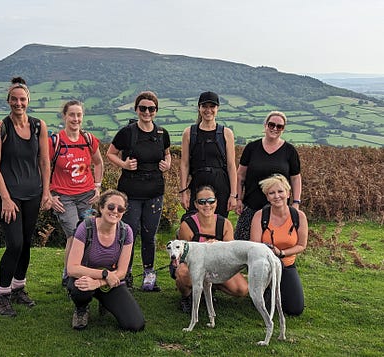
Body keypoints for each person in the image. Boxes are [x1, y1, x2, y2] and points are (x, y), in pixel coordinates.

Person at [0, 77, 51, 317]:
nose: (18, 103)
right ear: (8, 101)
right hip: (10, 197)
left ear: (28, 101)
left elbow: (44, 161)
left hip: (33, 194)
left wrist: (46, 191)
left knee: (25, 244)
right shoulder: (0, 127)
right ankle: (2, 295)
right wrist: (5, 198)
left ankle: (18, 288)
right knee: (14, 244)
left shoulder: (38, 126)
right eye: (14, 99)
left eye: (22, 99)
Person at [106, 91, 171, 291]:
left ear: (156, 111)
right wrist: (124, 165)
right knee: (129, 234)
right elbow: (110, 153)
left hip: (154, 192)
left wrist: (167, 164)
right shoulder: (127, 132)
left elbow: (167, 154)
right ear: (136, 109)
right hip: (130, 193)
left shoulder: (162, 134)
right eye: (142, 108)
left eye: (151, 109)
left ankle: (149, 275)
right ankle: (126, 274)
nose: (146, 112)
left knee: (149, 235)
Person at [66, 189, 145, 331]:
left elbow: (122, 272)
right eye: (111, 207)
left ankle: (105, 300)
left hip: (110, 281)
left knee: (135, 324)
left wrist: (100, 282)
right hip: (87, 276)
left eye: (120, 209)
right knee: (79, 286)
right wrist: (105, 274)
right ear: (101, 208)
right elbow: (72, 268)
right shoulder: (86, 227)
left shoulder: (126, 232)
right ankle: (81, 308)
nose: (115, 211)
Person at [49, 100, 104, 287]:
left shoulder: (88, 139)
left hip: (87, 196)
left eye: (79, 115)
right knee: (74, 235)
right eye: (72, 114)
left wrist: (98, 186)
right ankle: (68, 273)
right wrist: (49, 195)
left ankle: (82, 271)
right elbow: (41, 168)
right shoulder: (55, 141)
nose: (75, 119)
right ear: (64, 116)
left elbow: (98, 163)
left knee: (89, 233)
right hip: (64, 197)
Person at [172, 185, 248, 313]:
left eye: (211, 201)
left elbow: (230, 254)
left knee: (242, 289)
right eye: (202, 202)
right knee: (182, 273)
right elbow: (183, 256)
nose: (207, 205)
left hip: (218, 265)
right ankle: (186, 296)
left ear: (216, 202)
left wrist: (218, 246)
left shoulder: (225, 224)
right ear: (196, 204)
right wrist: (205, 247)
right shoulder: (187, 225)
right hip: (193, 265)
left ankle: (212, 288)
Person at [235, 111, 302, 241]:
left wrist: (296, 202)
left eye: (279, 126)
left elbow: (295, 178)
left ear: (283, 129)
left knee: (276, 243)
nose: (275, 129)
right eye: (271, 125)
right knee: (244, 245)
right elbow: (240, 176)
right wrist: (238, 199)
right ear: (265, 125)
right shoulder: (251, 148)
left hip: (278, 209)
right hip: (251, 206)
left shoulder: (290, 151)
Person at [250, 174, 308, 316]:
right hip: (265, 264)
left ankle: (275, 290)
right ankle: (265, 288)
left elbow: (301, 245)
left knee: (295, 309)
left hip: (286, 264)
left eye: (280, 191)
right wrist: (270, 253)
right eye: (271, 193)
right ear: (267, 197)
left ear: (288, 193)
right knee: (261, 306)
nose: (277, 196)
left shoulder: (299, 216)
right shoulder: (260, 216)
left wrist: (281, 253)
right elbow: (254, 246)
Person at [179, 91, 237, 218]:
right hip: (197, 184)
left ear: (217, 109)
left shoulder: (226, 133)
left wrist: (233, 195)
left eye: (212, 106)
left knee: (219, 224)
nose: (208, 110)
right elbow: (184, 164)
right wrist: (183, 192)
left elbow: (231, 166)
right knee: (194, 222)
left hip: (221, 185)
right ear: (199, 108)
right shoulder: (189, 133)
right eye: (205, 106)